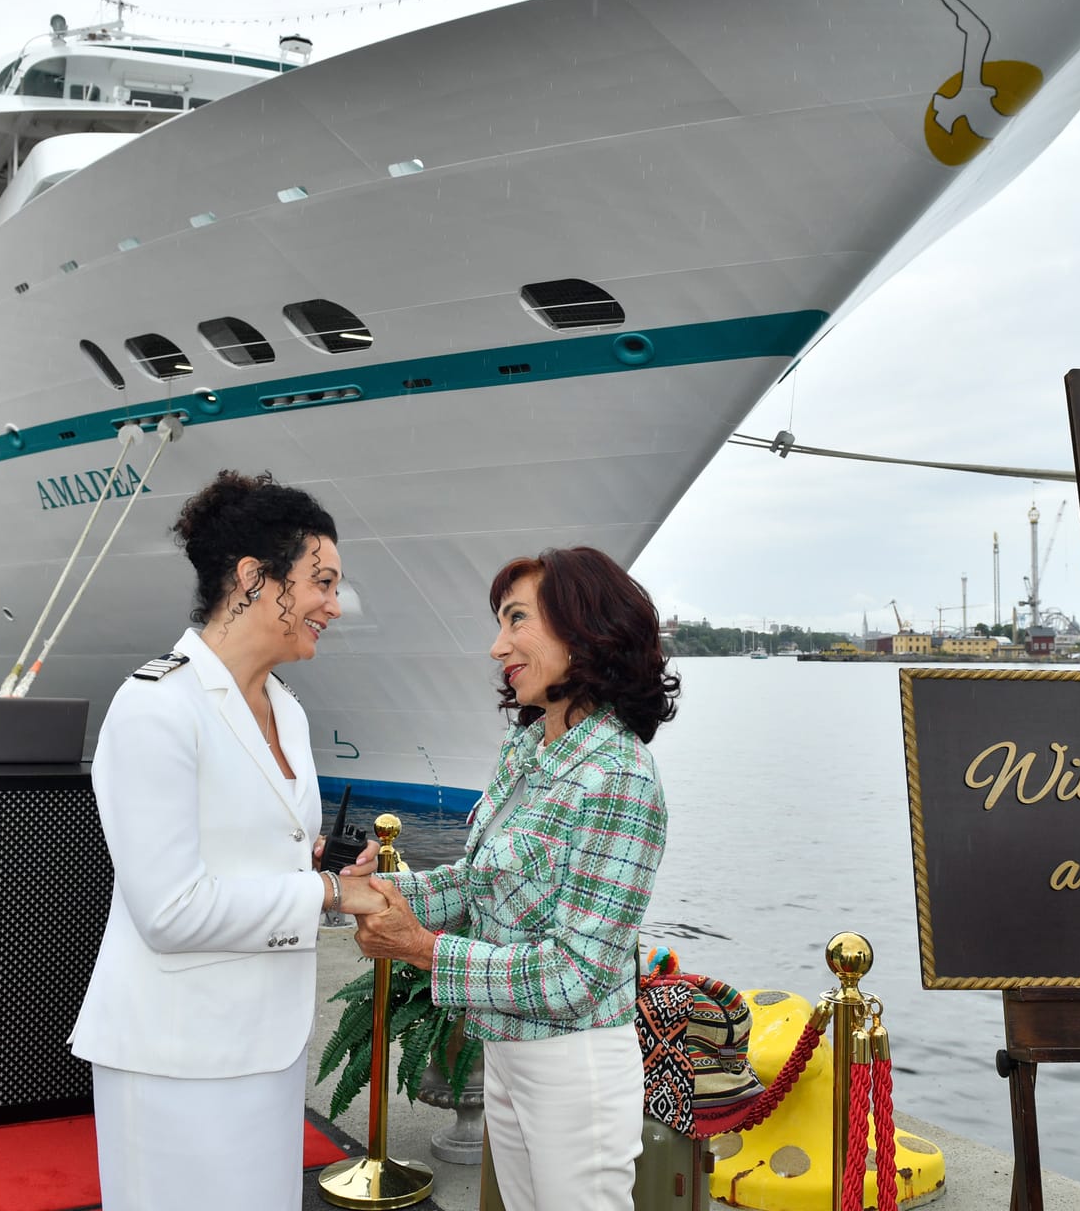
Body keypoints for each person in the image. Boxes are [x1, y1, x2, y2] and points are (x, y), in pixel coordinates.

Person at [67, 471, 386, 1210]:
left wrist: (322, 869)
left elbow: (257, 852)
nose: (335, 606)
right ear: (252, 577)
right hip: (175, 1055)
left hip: (266, 1046)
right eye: (321, 582)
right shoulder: (156, 707)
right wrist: (329, 892)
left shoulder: (289, 711)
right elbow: (170, 911)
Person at [354, 546, 677, 1211]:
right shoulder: (527, 748)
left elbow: (577, 974)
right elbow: (478, 882)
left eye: (516, 620)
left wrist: (420, 947)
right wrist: (359, 892)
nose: (497, 645)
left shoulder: (617, 777)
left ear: (583, 628)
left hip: (573, 1066)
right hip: (506, 1049)